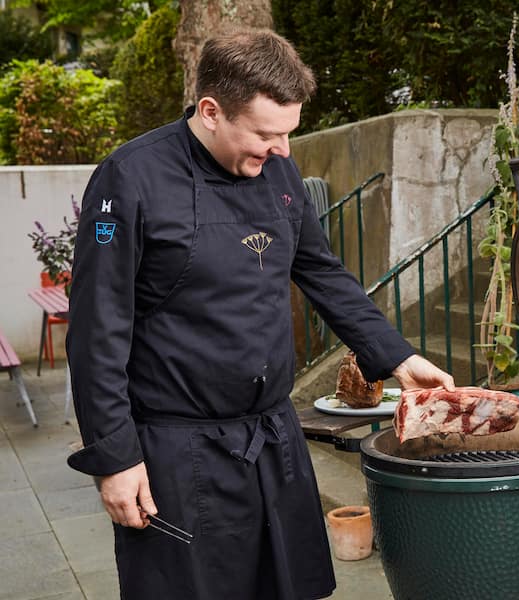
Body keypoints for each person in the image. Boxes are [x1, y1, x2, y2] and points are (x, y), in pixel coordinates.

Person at [65, 27, 454, 599]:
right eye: (267, 135)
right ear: (211, 111)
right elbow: (97, 333)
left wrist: (397, 356)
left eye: (289, 134)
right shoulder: (129, 179)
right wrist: (114, 459)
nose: (282, 151)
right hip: (177, 452)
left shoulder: (279, 172)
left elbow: (321, 271)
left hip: (272, 438)